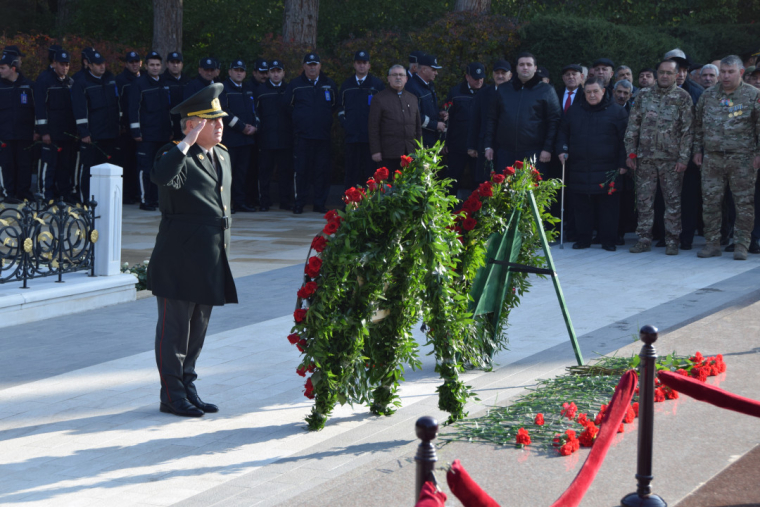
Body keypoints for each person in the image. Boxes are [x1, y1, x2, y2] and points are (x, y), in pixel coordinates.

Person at [147, 83, 237, 417]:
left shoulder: (222, 154)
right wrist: (186, 141)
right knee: (174, 332)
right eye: (210, 120)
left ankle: (188, 387)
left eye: (220, 119)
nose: (219, 125)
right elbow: (161, 176)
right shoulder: (173, 154)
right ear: (191, 124)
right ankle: (171, 395)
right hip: (179, 258)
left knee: (197, 330)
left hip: (209, 257)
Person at [692, 55, 760, 260]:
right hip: (712, 158)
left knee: (744, 203)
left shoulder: (753, 95)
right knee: (711, 203)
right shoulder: (708, 95)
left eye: (731, 72)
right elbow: (698, 125)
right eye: (723, 72)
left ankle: (741, 245)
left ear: (740, 73)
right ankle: (712, 243)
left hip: (743, 158)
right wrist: (697, 150)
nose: (726, 76)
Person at [624, 60, 693, 255]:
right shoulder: (644, 95)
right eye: (661, 72)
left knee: (672, 202)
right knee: (644, 202)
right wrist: (630, 153)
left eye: (669, 73)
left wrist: (683, 158)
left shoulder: (682, 97)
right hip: (645, 159)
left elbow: (688, 131)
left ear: (675, 75)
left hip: (671, 160)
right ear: (656, 74)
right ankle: (644, 238)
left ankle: (672, 240)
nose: (664, 76)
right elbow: (633, 127)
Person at [556, 77, 628, 251]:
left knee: (608, 208)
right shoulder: (574, 111)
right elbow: (562, 133)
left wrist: (623, 163)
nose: (592, 95)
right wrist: (562, 149)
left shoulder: (618, 112)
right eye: (588, 92)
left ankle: (608, 240)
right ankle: (583, 239)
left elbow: (625, 140)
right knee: (581, 206)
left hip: (608, 168)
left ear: (604, 91)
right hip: (579, 167)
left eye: (595, 91)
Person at [484, 52, 561, 176]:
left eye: (529, 64)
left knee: (532, 193)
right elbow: (492, 118)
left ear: (535, 68)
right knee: (504, 192)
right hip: (505, 152)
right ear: (516, 68)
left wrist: (547, 148)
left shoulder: (546, 91)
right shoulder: (503, 89)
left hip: (534, 153)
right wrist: (488, 145)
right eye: (522, 64)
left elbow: (554, 121)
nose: (525, 67)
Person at [283, 52, 338, 214]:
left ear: (320, 66)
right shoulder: (295, 85)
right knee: (302, 171)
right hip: (303, 136)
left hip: (323, 136)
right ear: (304, 66)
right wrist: (300, 119)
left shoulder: (329, 84)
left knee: (322, 171)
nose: (312, 67)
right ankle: (299, 203)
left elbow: (334, 105)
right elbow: (287, 106)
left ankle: (319, 203)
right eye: (309, 64)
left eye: (315, 64)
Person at [71, 49, 120, 204]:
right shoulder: (82, 83)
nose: (102, 67)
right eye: (98, 64)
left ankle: (104, 197)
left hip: (110, 133)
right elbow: (80, 110)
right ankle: (84, 197)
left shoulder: (110, 80)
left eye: (103, 63)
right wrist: (84, 132)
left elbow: (117, 105)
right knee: (88, 168)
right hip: (92, 134)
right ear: (89, 65)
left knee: (107, 167)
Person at [129, 51, 173, 211]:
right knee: (145, 169)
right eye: (152, 65)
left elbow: (168, 110)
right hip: (146, 135)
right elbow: (133, 109)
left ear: (161, 67)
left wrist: (170, 130)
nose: (155, 68)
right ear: (146, 66)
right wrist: (136, 132)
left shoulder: (164, 83)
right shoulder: (139, 84)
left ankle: (155, 199)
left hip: (162, 134)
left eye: (157, 65)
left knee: (159, 169)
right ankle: (145, 199)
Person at [33, 49, 77, 201]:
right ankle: (46, 195)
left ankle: (64, 194)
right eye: (62, 64)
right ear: (54, 63)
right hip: (51, 134)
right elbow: (40, 107)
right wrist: (43, 131)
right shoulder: (45, 80)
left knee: (65, 166)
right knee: (49, 165)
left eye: (67, 65)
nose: (65, 68)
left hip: (66, 133)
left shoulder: (70, 82)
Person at [338, 50, 385, 188]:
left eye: (364, 63)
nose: (362, 66)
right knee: (351, 172)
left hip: (370, 138)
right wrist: (345, 123)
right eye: (359, 63)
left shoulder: (377, 85)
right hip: (351, 137)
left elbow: (383, 109)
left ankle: (369, 206)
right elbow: (340, 107)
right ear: (354, 65)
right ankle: (349, 205)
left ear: (369, 65)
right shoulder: (347, 85)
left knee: (370, 173)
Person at [254, 59, 293, 211]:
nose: (276, 74)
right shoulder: (261, 90)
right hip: (266, 139)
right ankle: (264, 202)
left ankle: (285, 201)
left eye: (279, 71)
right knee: (265, 172)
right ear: (268, 73)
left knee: (285, 172)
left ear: (283, 73)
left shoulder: (289, 89)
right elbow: (255, 112)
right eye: (273, 71)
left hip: (286, 138)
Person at [220, 59, 258, 213]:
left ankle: (240, 202)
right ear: (230, 72)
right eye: (236, 70)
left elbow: (255, 110)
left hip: (246, 139)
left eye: (242, 70)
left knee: (242, 173)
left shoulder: (248, 89)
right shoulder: (223, 88)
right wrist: (242, 127)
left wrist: (255, 127)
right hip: (231, 139)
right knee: (228, 173)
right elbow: (223, 112)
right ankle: (227, 203)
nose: (239, 73)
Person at [368, 64, 421, 171]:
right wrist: (375, 151)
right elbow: (373, 127)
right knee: (388, 187)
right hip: (388, 154)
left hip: (409, 153)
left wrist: (419, 150)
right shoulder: (379, 99)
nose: (398, 77)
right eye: (394, 75)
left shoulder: (413, 99)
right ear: (388, 78)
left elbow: (418, 127)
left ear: (406, 79)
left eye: (401, 75)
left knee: (408, 187)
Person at [444, 62, 484, 197]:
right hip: (458, 146)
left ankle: (477, 215)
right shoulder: (455, 93)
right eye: (475, 78)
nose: (479, 81)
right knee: (452, 181)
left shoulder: (488, 93)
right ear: (467, 77)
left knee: (479, 183)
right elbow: (447, 120)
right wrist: (445, 142)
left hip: (479, 148)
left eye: (481, 78)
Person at [467, 60, 511, 182]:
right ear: (492, 74)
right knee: (484, 179)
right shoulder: (483, 93)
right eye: (497, 73)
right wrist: (471, 145)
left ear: (510, 75)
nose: (500, 76)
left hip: (507, 144)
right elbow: (475, 120)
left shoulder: (516, 93)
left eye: (503, 73)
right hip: (484, 143)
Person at [0, 53, 35, 201]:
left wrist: (37, 130)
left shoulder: (28, 85)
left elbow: (36, 110)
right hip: (5, 134)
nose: (0, 71)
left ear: (12, 68)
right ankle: (9, 193)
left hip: (24, 134)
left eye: (3, 68)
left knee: (24, 165)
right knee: (7, 165)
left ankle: (23, 193)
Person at [116, 51, 142, 204]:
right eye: (131, 62)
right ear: (126, 64)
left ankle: (137, 192)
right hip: (125, 129)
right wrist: (121, 125)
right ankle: (126, 194)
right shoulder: (120, 80)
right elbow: (118, 104)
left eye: (136, 61)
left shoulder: (144, 78)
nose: (134, 64)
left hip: (141, 128)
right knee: (126, 162)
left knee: (138, 163)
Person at [405, 53, 445, 148]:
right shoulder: (412, 87)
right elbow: (415, 115)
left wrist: (439, 114)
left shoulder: (429, 84)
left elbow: (427, 108)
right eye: (434, 70)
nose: (436, 73)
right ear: (424, 70)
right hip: (419, 142)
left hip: (430, 139)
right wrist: (435, 125)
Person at [164, 52, 189, 140]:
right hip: (167, 125)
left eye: (178, 62)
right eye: (172, 62)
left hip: (185, 123)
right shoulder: (162, 81)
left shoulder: (188, 81)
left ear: (182, 64)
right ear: (167, 64)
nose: (175, 65)